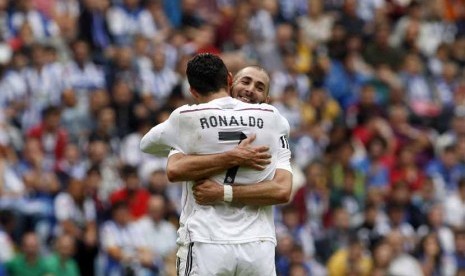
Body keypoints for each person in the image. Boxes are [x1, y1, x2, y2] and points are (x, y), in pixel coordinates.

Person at [140, 53, 292, 275]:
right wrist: (234, 156)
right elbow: (175, 170)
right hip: (248, 245)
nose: (250, 90)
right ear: (230, 82)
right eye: (246, 82)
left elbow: (282, 190)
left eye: (259, 87)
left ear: (267, 100)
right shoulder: (275, 120)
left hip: (214, 241)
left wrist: (224, 192)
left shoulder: (188, 120)